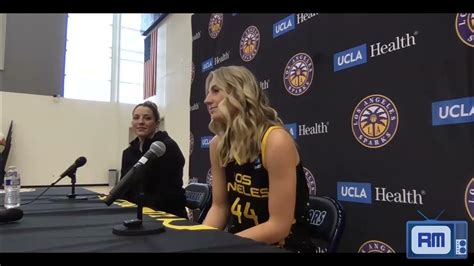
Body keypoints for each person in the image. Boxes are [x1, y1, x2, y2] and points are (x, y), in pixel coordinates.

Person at [202, 65, 316, 253]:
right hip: (237, 244)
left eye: (216, 91)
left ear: (239, 93)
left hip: (283, 246)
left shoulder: (275, 140)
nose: (207, 100)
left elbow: (279, 227)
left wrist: (222, 245)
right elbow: (219, 207)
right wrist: (199, 241)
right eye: (208, 93)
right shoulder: (218, 144)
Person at [120, 101, 187, 218]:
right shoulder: (128, 152)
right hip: (135, 214)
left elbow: (168, 193)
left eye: (147, 118)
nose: (140, 122)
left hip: (167, 215)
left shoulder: (167, 147)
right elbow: (124, 189)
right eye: (136, 118)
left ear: (157, 123)